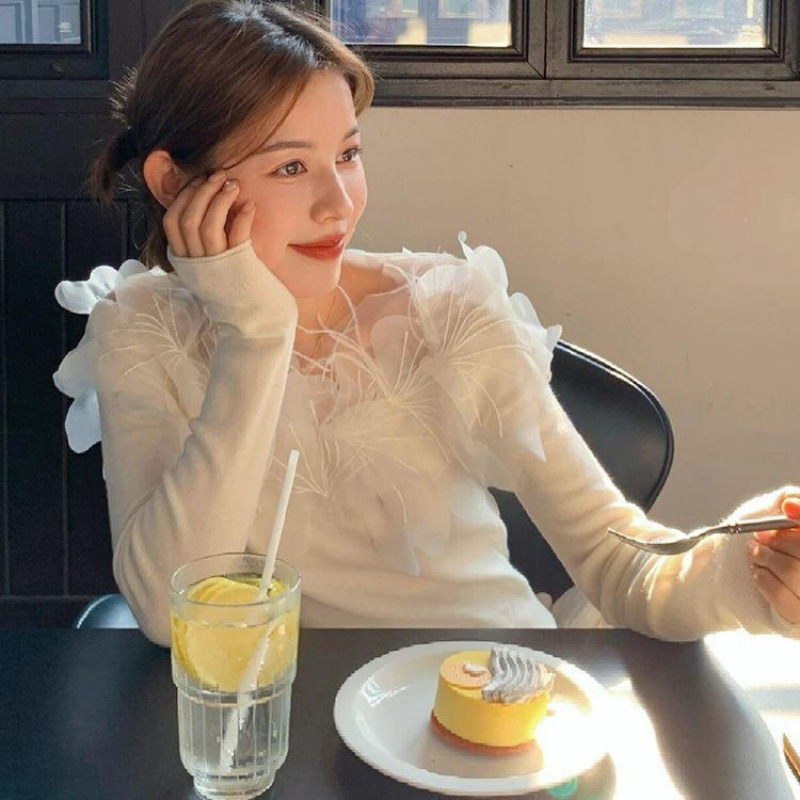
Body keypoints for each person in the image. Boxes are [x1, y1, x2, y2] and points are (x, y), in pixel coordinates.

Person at [53, 0, 800, 648]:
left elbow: (617, 562)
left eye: (348, 154)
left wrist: (752, 573)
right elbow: (168, 610)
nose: (339, 204)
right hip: (290, 721)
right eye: (290, 167)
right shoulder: (139, 331)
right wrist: (255, 336)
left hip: (500, 690)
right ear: (174, 182)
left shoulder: (447, 306)